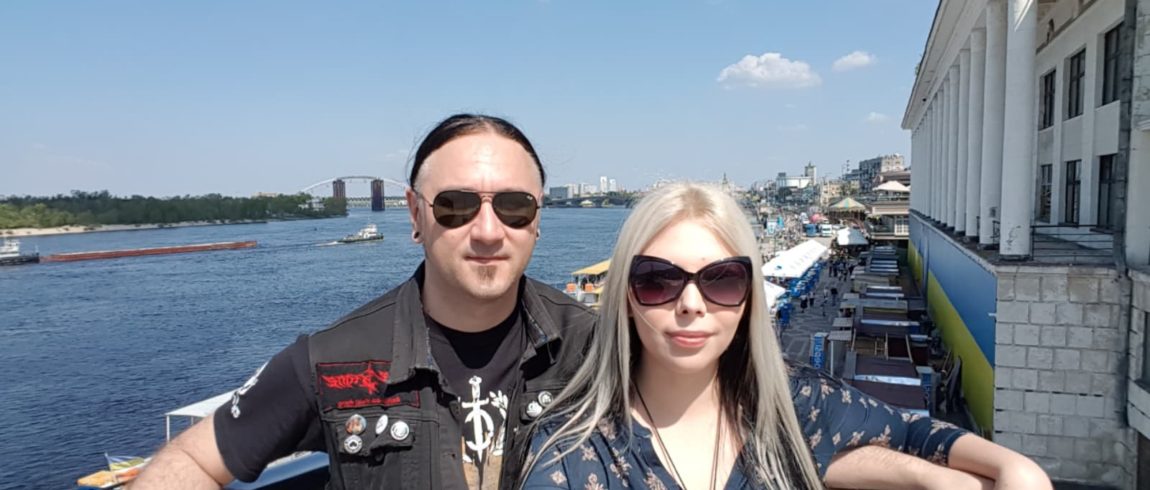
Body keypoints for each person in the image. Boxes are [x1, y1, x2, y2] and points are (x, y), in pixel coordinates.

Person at [132, 114, 597, 489]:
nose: (489, 231)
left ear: (537, 219)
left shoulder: (595, 348)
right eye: (456, 206)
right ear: (415, 215)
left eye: (514, 207)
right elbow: (194, 459)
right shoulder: (332, 361)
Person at [520, 182, 1051, 489]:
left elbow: (913, 432)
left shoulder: (793, 404)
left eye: (721, 279)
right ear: (626, 298)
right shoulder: (573, 452)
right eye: (658, 280)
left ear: (749, 296)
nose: (691, 304)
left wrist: (1016, 468)